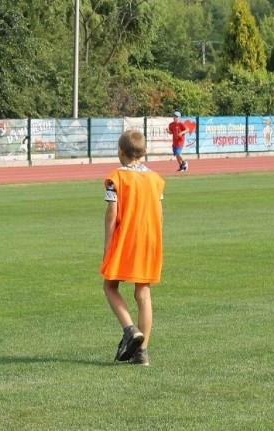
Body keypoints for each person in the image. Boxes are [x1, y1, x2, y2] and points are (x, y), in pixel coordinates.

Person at [101, 130, 166, 366]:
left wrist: (108, 246)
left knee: (110, 286)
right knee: (143, 293)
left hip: (126, 238)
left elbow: (112, 215)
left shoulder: (116, 178)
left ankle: (130, 330)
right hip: (149, 239)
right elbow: (159, 214)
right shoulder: (156, 179)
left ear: (120, 151)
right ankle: (143, 353)